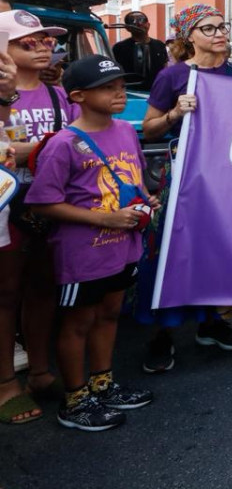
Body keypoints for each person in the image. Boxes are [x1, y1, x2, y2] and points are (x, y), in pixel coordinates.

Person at [26, 56, 154, 431]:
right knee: (78, 322)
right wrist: (104, 219)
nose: (119, 93)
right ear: (79, 96)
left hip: (123, 246)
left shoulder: (126, 131)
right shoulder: (64, 144)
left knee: (111, 313)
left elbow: (136, 176)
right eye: (108, 87)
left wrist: (146, 201)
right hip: (83, 253)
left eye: (120, 85)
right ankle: (76, 398)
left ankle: (102, 382)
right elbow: (43, 201)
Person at [139, 4, 232, 372]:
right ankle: (162, 331)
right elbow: (150, 128)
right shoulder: (172, 76)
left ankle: (212, 321)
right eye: (208, 29)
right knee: (171, 249)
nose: (220, 33)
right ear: (189, 37)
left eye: (223, 26)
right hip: (187, 174)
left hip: (228, 178)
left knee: (219, 248)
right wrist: (175, 114)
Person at [0, 10, 75, 425]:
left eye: (48, 40)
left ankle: (41, 371)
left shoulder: (57, 93)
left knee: (43, 287)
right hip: (8, 203)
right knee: (6, 292)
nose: (45, 46)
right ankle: (6, 382)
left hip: (48, 202)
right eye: (31, 42)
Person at [112, 11, 168, 92]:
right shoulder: (119, 48)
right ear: (127, 28)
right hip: (130, 93)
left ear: (148, 24)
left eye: (142, 20)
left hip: (157, 92)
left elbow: (165, 67)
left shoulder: (160, 45)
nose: (139, 24)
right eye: (133, 21)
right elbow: (115, 74)